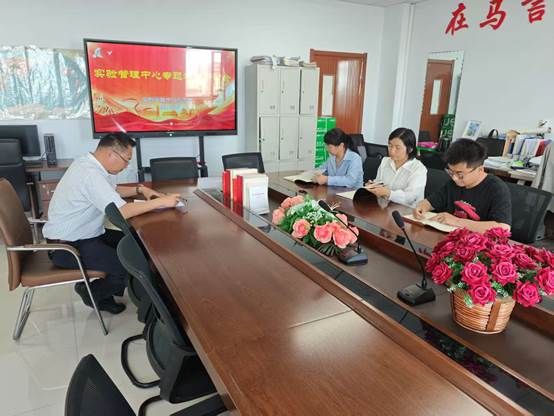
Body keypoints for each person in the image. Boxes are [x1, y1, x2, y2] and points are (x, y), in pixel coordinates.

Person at [43, 132, 181, 314]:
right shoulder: (89, 174)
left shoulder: (88, 164)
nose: (126, 166)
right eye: (126, 160)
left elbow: (112, 190)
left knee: (137, 243)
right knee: (130, 265)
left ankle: (109, 288)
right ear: (111, 154)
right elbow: (122, 212)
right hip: (68, 247)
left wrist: (141, 190)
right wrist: (161, 202)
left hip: (85, 234)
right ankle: (92, 293)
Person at [413, 138, 511, 233]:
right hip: (450, 237)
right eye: (451, 172)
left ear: (480, 170)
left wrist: (457, 221)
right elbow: (431, 202)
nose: (454, 178)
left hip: (477, 241)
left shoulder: (496, 189)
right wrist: (421, 207)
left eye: (460, 175)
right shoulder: (453, 184)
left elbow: (503, 228)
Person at [364, 127, 427, 207]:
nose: (392, 151)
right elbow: (379, 182)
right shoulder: (385, 161)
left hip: (407, 211)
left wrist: (388, 193)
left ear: (410, 149)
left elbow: (410, 197)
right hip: (384, 207)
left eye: (397, 148)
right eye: (390, 146)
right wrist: (373, 186)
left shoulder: (418, 169)